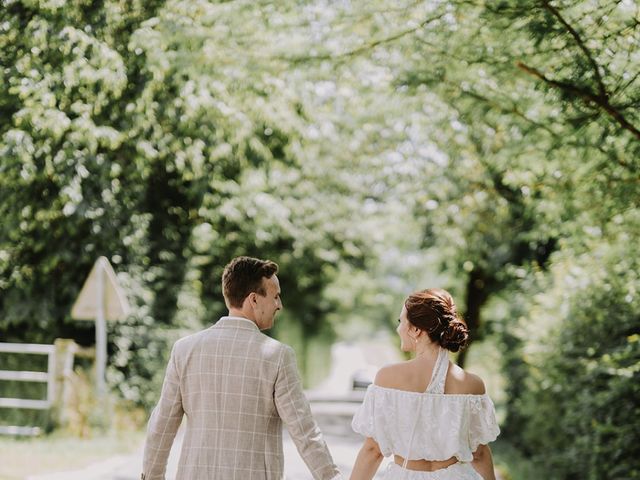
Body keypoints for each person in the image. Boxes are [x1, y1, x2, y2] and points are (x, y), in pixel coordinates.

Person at [142, 256, 342, 480]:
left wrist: (151, 477)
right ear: (254, 300)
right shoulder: (277, 356)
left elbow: (162, 425)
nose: (279, 305)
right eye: (275, 296)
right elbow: (304, 431)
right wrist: (331, 477)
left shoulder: (184, 349)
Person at [350, 288, 500, 480]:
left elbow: (373, 450)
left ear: (416, 329)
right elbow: (479, 453)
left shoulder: (388, 378)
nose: (398, 329)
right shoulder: (473, 385)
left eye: (400, 322)